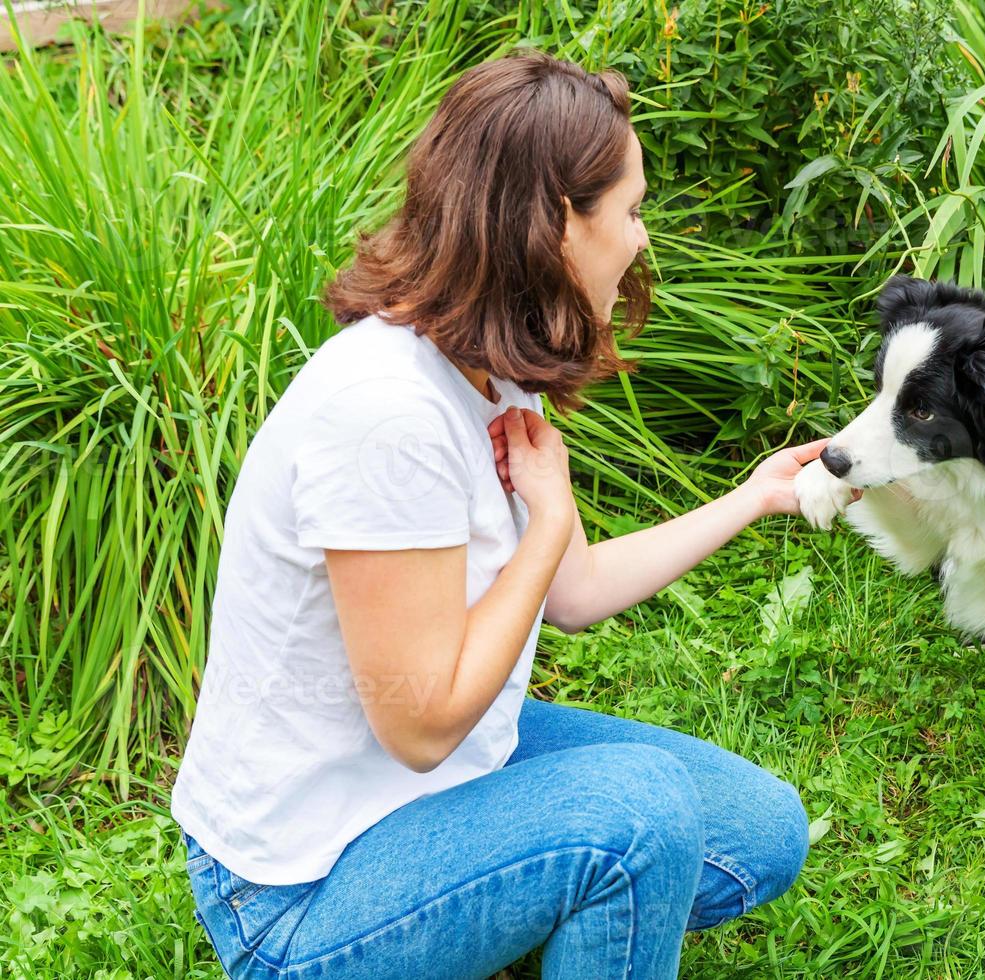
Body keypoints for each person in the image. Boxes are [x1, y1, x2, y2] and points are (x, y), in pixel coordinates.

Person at [170, 47, 855, 979]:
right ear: (556, 226)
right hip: (298, 894)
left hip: (434, 794)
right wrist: (544, 525)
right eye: (632, 210)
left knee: (756, 830)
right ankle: (532, 900)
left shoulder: (483, 363)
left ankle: (533, 906)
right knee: (642, 812)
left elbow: (571, 592)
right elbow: (423, 725)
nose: (642, 240)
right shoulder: (387, 417)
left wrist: (753, 497)